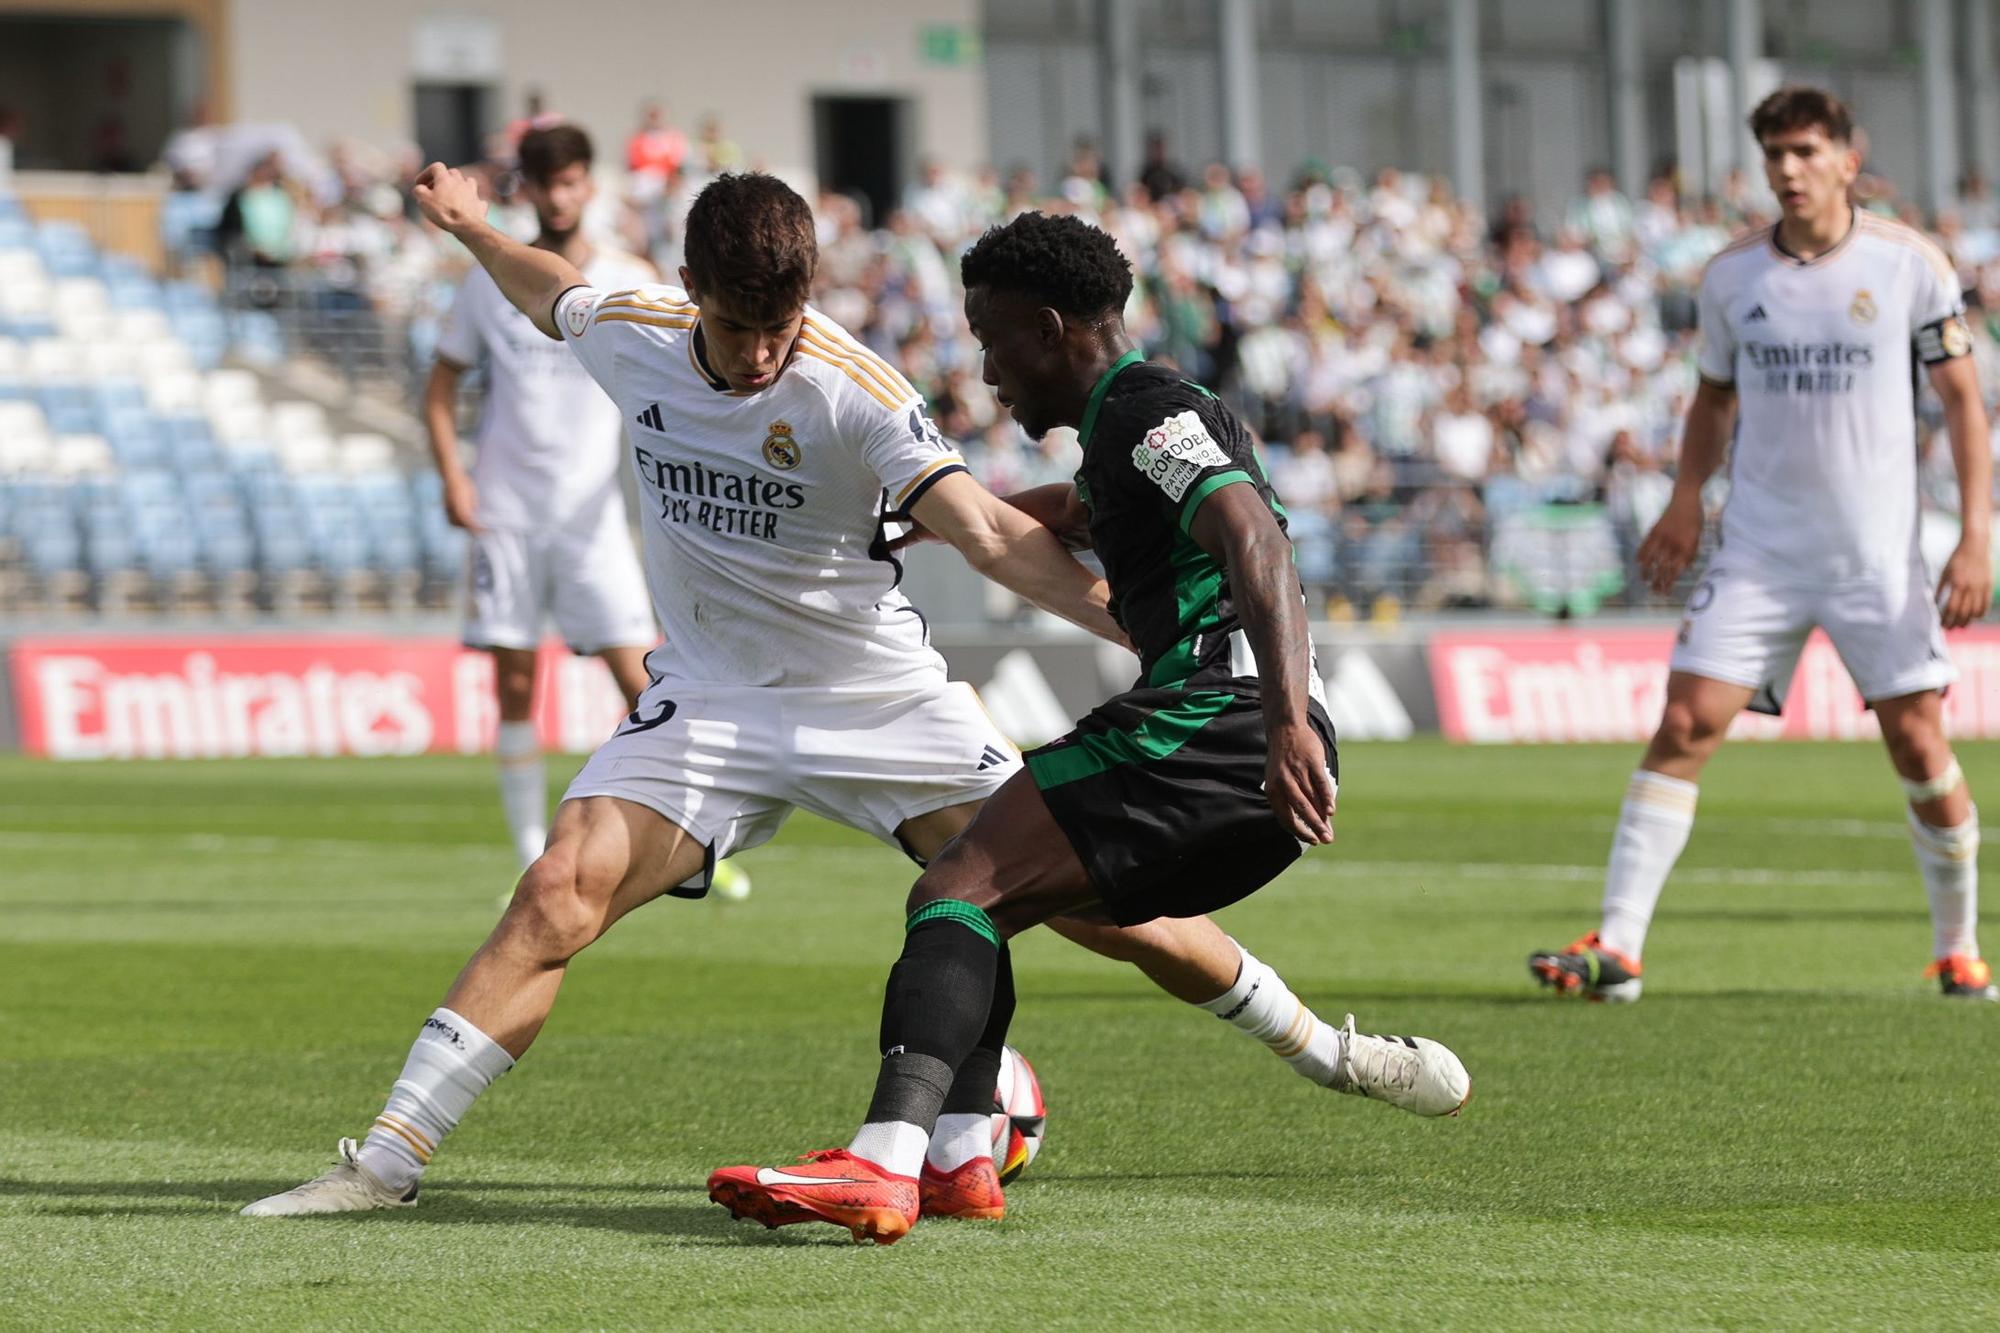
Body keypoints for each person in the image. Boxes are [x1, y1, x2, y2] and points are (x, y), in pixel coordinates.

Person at [242, 173, 1412, 1219]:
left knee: (1087, 905)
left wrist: (1129, 624)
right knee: (554, 893)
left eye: (782, 327)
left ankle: (1321, 1049)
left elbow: (994, 538)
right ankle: (386, 1159)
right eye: (741, 328)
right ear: (690, 287)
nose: (762, 356)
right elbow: (545, 287)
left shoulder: (855, 388)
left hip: (876, 696)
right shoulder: (632, 329)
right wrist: (470, 227)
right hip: (709, 700)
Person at [706, 212, 1470, 1246]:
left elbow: (1251, 536)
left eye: (992, 339)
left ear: (1052, 328)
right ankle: (960, 1156)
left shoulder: (1144, 409)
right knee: (984, 903)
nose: (987, 371)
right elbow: (1079, 507)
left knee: (954, 887)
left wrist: (1286, 721)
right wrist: (937, 509)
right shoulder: (1128, 431)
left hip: (1218, 723)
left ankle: (882, 1162)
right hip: (1236, 750)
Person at [1530, 86, 1996, 1003]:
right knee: (1684, 725)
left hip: (1874, 559)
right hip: (1760, 554)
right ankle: (1618, 949)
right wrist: (1684, 500)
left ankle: (1959, 947)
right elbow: (1712, 400)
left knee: (1918, 746)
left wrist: (1977, 536)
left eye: (1807, 151)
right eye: (1775, 153)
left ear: (1846, 162)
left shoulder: (1911, 265)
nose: (1788, 169)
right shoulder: (1732, 275)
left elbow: (1963, 405)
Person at [423, 123, 683, 880]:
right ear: (527, 191)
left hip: (590, 513)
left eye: (573, 183)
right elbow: (439, 388)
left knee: (645, 683)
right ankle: (526, 852)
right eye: (547, 185)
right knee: (512, 683)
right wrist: (453, 476)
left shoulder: (628, 276)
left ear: (589, 186)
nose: (561, 197)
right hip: (505, 508)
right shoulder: (487, 278)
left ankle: (677, 839)